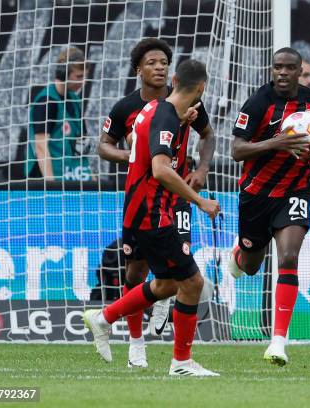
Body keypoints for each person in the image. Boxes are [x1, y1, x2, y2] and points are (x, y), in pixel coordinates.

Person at [84, 59, 221, 377]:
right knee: (193, 283)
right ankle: (181, 363)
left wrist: (181, 123)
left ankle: (104, 318)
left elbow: (139, 145)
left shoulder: (155, 110)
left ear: (174, 79)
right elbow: (161, 169)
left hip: (138, 209)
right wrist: (200, 201)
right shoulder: (165, 116)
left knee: (169, 282)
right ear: (201, 87)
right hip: (153, 212)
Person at [229, 47, 310, 366]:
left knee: (290, 257)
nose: (281, 73)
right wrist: (279, 142)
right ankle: (239, 253)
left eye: (289, 68)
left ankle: (278, 341)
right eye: (277, 67)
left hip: (296, 189)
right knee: (251, 265)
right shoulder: (257, 103)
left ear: (299, 70)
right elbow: (237, 151)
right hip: (256, 193)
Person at [28, 46, 92, 181]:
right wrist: (51, 188)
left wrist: (90, 178)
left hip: (70, 176)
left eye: (85, 77)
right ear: (63, 74)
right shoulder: (46, 101)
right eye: (79, 77)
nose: (83, 82)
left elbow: (80, 146)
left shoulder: (75, 100)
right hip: (45, 181)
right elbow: (41, 147)